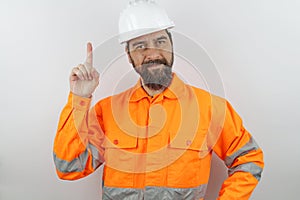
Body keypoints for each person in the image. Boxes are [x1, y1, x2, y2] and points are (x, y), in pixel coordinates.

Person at [53, 0, 264, 199]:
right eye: (140, 46)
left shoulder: (210, 108)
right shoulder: (107, 111)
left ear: (172, 45)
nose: (152, 52)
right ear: (128, 56)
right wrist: (79, 98)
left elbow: (249, 159)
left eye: (160, 41)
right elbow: (69, 167)